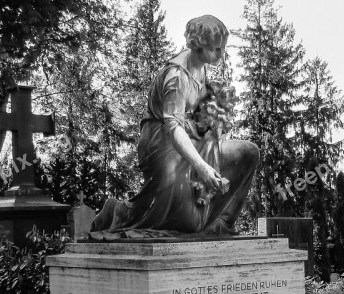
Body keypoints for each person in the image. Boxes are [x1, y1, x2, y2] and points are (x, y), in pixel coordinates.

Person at [91, 15, 259, 238]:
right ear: (198, 47)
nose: (221, 54)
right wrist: (203, 167)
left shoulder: (201, 68)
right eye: (216, 49)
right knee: (187, 223)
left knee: (248, 152)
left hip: (189, 139)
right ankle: (120, 212)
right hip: (162, 146)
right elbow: (174, 126)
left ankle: (221, 222)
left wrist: (213, 120)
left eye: (222, 48)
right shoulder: (176, 77)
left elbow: (195, 117)